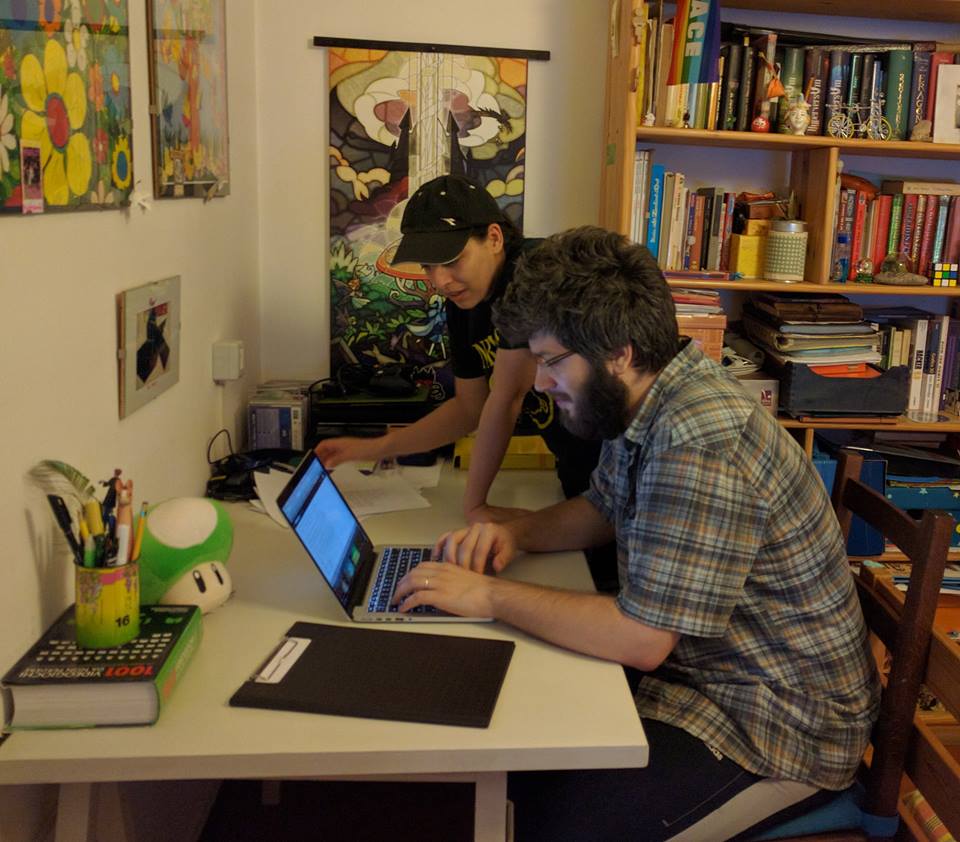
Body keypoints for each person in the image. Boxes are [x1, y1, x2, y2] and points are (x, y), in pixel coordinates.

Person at [392, 226, 881, 841]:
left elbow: (643, 637)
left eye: (552, 361)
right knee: (519, 749)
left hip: (777, 727)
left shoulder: (698, 441)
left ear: (618, 352)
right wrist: (517, 536)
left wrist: (487, 595)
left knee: (553, 823)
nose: (540, 382)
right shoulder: (649, 395)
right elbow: (603, 507)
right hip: (703, 679)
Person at [315, 174, 601, 526]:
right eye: (428, 266)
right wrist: (369, 448)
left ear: (494, 238)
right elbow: (469, 406)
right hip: (578, 472)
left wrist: (475, 505)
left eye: (452, 260)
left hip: (613, 471)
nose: (440, 281)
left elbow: (507, 397)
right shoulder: (465, 300)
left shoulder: (533, 272)